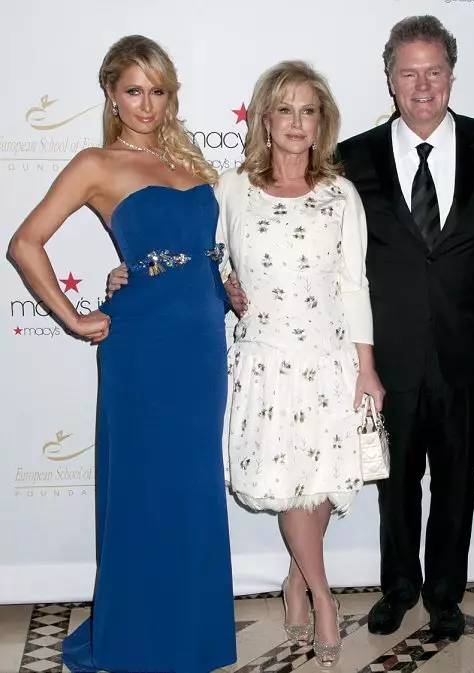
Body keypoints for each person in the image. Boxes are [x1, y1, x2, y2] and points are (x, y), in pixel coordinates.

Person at [109, 60, 384, 668]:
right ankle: (323, 596)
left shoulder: (341, 194)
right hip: (266, 360)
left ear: (322, 123)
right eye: (284, 109)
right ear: (264, 119)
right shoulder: (231, 188)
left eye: (308, 111)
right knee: (290, 484)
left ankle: (296, 580)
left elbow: (354, 283)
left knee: (318, 481)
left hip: (329, 358)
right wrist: (132, 271)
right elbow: (191, 253)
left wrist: (366, 365)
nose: (296, 122)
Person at [9, 35, 236, 673]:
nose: (146, 104)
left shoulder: (192, 164)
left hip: (201, 345)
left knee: (191, 486)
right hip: (143, 350)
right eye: (134, 90)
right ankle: (140, 635)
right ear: (111, 94)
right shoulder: (96, 164)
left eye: (158, 91)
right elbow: (25, 243)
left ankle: (191, 632)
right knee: (144, 487)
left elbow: (203, 251)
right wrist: (73, 317)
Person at [336, 16, 474, 640]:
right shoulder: (350, 158)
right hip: (389, 355)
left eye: (434, 72)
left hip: (470, 352)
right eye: (409, 73)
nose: (422, 86)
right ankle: (397, 588)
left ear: (452, 76)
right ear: (389, 79)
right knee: (395, 485)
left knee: (457, 481)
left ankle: (445, 594)